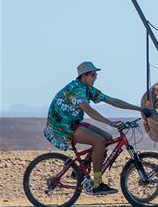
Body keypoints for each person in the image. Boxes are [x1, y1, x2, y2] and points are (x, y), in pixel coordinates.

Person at [43, 61, 149, 195]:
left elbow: (113, 101)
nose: (96, 77)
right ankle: (97, 184)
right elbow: (89, 110)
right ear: (83, 76)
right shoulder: (76, 89)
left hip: (73, 123)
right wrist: (110, 122)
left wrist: (140, 109)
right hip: (62, 128)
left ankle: (83, 168)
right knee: (99, 141)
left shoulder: (88, 89)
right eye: (93, 75)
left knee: (108, 138)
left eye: (96, 75)